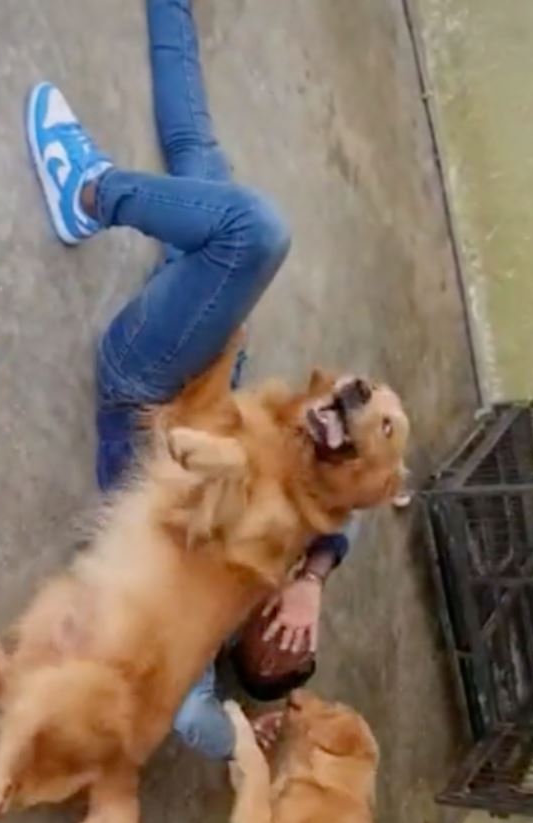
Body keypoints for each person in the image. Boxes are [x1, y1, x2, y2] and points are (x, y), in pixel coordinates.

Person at [25, 0, 355, 759]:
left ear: (252, 659)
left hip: (143, 389)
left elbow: (190, 719)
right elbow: (351, 505)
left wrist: (243, 740)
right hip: (208, 351)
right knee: (197, 153)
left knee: (255, 232)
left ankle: (88, 191)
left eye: (283, 657)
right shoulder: (293, 550)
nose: (295, 639)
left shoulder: (202, 629)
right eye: (306, 643)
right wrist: (312, 579)